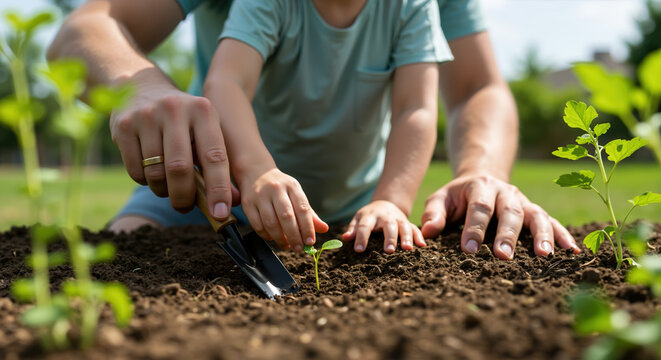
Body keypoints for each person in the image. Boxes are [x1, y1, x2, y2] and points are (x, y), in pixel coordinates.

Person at [49, 0, 580, 259]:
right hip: (213, 193)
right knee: (119, 260)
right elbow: (225, 81)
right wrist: (256, 172)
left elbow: (422, 109)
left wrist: (393, 200)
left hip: (348, 212)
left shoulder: (412, 6)